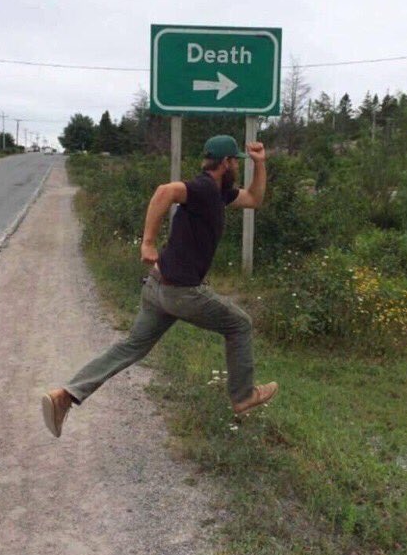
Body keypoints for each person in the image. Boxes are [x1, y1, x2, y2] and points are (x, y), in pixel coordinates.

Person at [42, 134, 278, 438]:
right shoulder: (204, 188)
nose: (237, 168)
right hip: (181, 292)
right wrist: (148, 242)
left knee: (131, 347)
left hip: (157, 288)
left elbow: (254, 200)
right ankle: (243, 396)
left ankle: (65, 395)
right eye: (237, 163)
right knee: (239, 324)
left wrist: (260, 164)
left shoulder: (218, 193)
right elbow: (164, 191)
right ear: (227, 163)